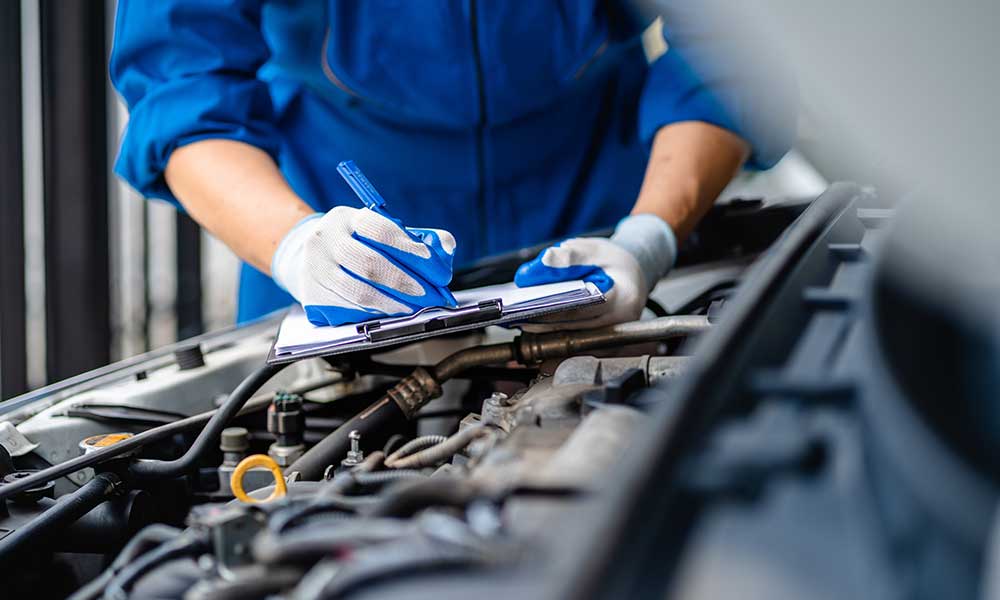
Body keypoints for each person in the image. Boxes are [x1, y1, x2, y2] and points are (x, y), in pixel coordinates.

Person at [110, 1, 794, 329]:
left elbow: (735, 45)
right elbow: (182, 82)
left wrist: (648, 238)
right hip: (325, 205)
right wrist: (294, 245)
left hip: (608, 190)